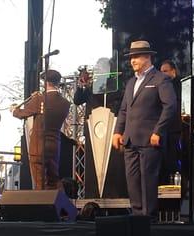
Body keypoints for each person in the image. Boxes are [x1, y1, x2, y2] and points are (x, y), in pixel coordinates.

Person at [112, 40, 177, 218]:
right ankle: (136, 215)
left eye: (136, 57)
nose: (132, 60)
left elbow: (170, 106)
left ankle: (149, 218)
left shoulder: (160, 79)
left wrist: (158, 131)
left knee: (148, 180)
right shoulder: (131, 82)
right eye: (131, 57)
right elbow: (124, 109)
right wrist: (117, 131)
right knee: (132, 180)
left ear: (148, 57)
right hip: (130, 139)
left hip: (149, 139)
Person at [73, 64, 126, 198]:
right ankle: (93, 194)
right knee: (91, 166)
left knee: (111, 165)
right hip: (93, 130)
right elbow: (77, 100)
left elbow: (113, 102)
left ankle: (111, 194)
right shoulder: (91, 87)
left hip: (110, 129)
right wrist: (82, 85)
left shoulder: (115, 87)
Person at [12, 69, 70, 190]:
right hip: (54, 146)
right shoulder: (65, 103)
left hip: (38, 146)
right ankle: (58, 205)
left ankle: (42, 207)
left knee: (40, 183)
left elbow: (22, 113)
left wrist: (14, 110)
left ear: (46, 83)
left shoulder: (40, 99)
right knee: (53, 181)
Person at [159, 59, 182, 184]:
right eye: (161, 72)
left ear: (173, 71)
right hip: (164, 130)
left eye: (165, 71)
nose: (163, 74)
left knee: (176, 158)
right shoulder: (160, 87)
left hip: (177, 130)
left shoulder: (180, 86)